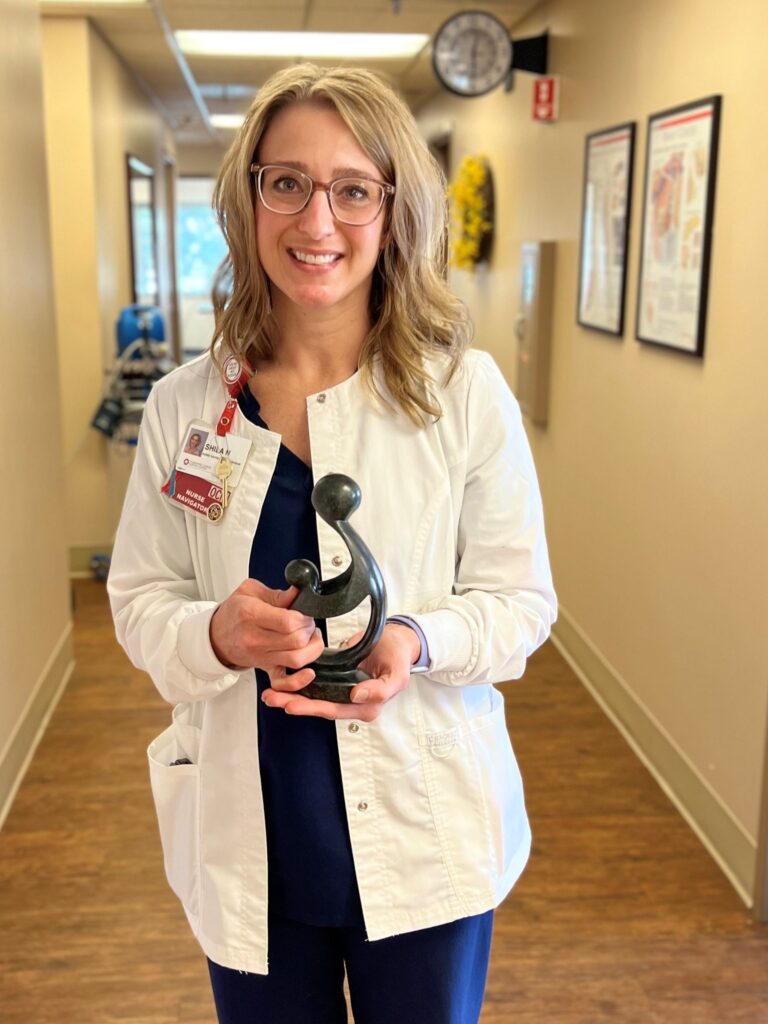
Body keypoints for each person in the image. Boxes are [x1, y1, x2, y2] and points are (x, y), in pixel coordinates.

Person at [108, 63, 556, 1024]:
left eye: (354, 189)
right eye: (289, 184)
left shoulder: (462, 393)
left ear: (395, 211)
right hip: (252, 837)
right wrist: (219, 636)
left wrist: (418, 642)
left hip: (425, 829)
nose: (318, 223)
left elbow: (521, 603)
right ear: (250, 196)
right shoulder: (189, 406)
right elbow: (140, 600)